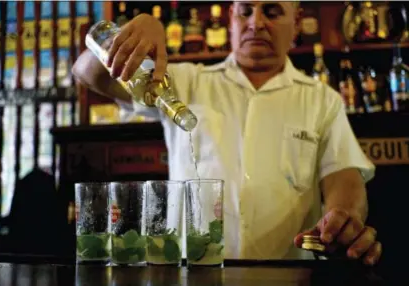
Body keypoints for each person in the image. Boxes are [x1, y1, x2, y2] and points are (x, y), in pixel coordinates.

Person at [72, 1, 381, 265]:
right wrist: (135, 32)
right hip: (191, 273)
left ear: (297, 22)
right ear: (231, 17)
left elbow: (344, 178)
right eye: (245, 11)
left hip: (287, 277)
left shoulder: (320, 99)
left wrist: (342, 219)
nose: (256, 23)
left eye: (272, 12)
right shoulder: (184, 82)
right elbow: (87, 74)